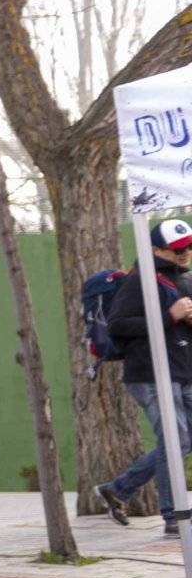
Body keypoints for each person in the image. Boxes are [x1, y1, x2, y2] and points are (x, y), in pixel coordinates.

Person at [95, 215, 192, 537]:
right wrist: (170, 316)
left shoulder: (184, 280)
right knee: (175, 441)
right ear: (155, 250)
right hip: (151, 374)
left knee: (182, 441)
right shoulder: (140, 280)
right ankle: (174, 517)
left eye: (188, 247)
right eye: (176, 249)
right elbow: (119, 325)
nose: (184, 253)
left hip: (183, 371)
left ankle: (119, 489)